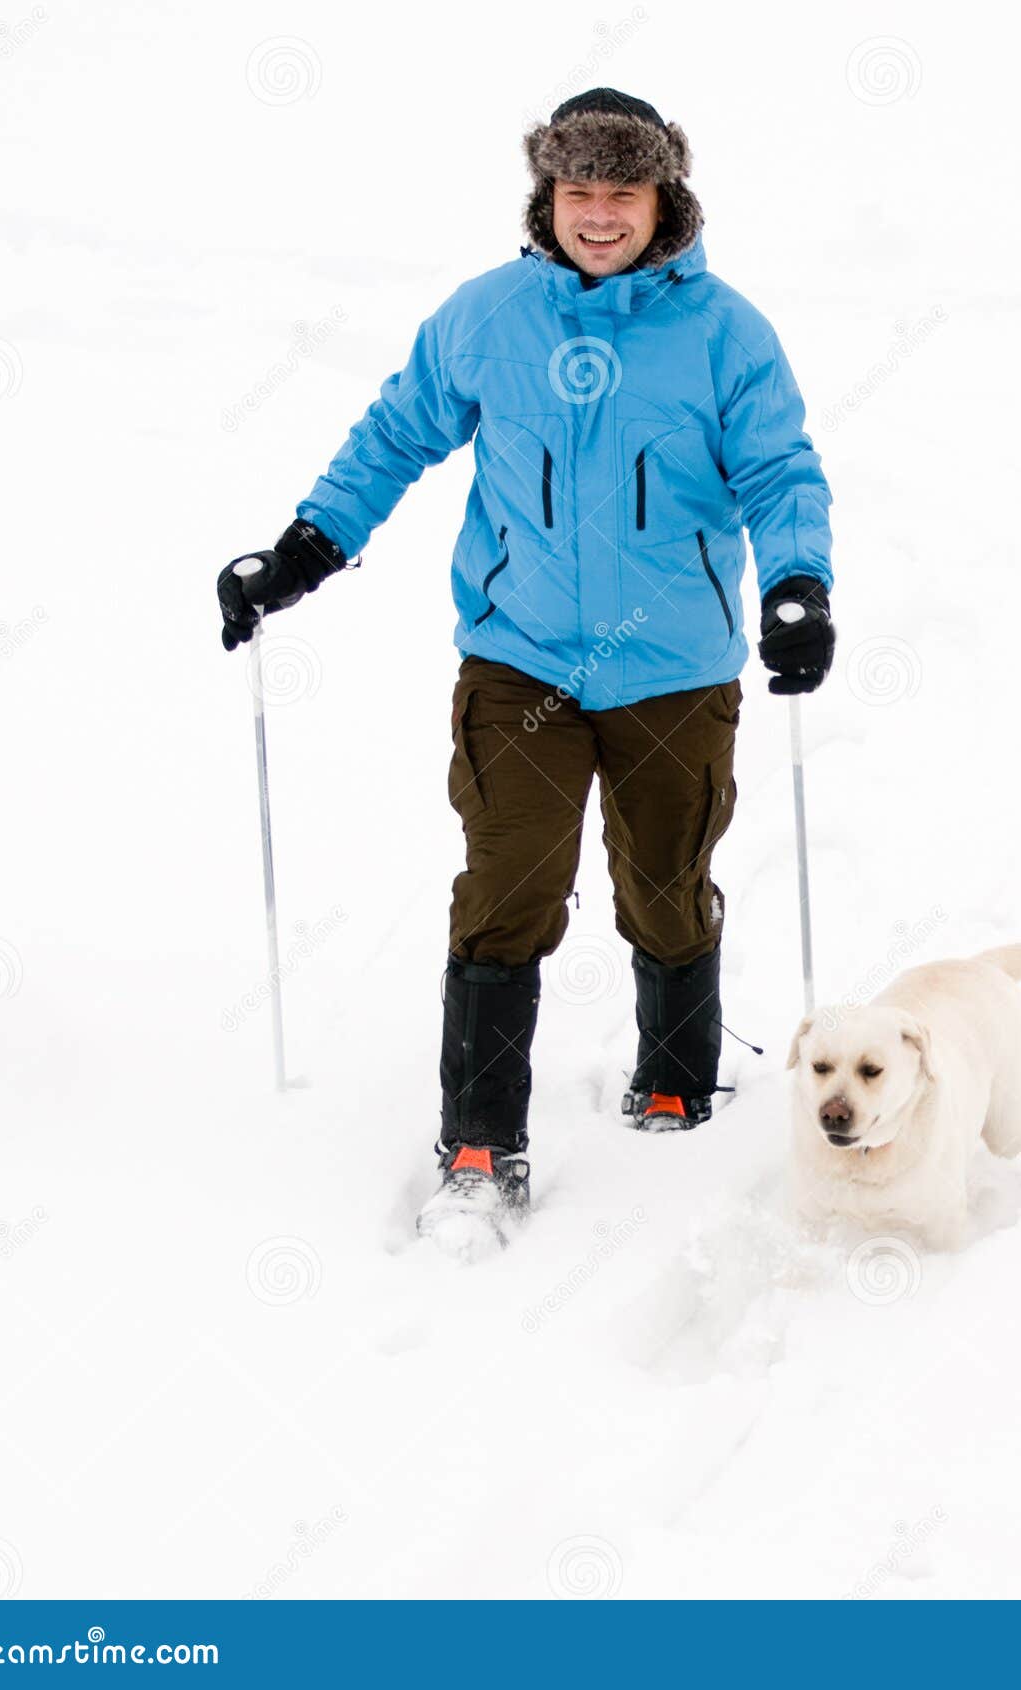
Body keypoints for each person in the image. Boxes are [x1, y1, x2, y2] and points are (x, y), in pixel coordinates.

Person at [217, 87, 835, 1258]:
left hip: (674, 668)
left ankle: (675, 1081)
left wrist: (797, 584)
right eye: (577, 190)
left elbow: (778, 470)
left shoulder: (726, 334)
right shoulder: (487, 318)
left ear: (664, 197)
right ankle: (477, 1141)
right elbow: (396, 433)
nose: (599, 215)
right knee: (509, 884)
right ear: (546, 197)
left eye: (622, 191)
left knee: (666, 881)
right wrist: (304, 550)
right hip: (521, 662)